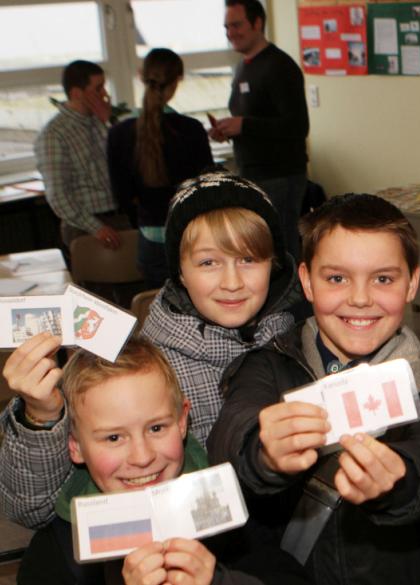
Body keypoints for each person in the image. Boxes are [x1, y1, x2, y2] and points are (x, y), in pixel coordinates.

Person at [0, 171, 301, 529]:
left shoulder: (299, 344)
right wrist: (41, 417)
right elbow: (33, 510)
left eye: (248, 259)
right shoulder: (134, 369)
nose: (232, 282)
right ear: (180, 272)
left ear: (274, 264)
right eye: (208, 262)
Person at [208, 193, 420, 585]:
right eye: (336, 278)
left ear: (412, 283)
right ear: (307, 282)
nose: (360, 298)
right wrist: (262, 450)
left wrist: (403, 479)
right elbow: (230, 434)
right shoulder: (271, 364)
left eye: (383, 279)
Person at [16, 337, 308, 584]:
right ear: (76, 447)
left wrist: (219, 580)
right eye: (113, 438)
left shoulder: (230, 513)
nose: (143, 458)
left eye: (156, 428)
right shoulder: (59, 551)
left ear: (182, 421)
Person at [211, 0, 309, 260]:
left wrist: (244, 125)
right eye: (226, 27)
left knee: (282, 249)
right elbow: (253, 122)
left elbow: (298, 126)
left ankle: (295, 301)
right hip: (253, 174)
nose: (230, 32)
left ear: (257, 23)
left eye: (236, 25)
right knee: (262, 250)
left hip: (280, 177)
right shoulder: (243, 66)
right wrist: (229, 130)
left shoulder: (280, 66)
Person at [108, 48, 214, 288]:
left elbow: (122, 196)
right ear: (178, 80)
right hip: (190, 238)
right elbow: (206, 188)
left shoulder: (119, 133)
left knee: (157, 309)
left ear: (140, 76)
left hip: (149, 238)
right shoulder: (192, 129)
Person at [35, 60, 130, 250]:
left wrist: (108, 122)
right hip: (86, 227)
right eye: (98, 89)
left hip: (119, 216)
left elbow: (127, 164)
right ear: (77, 93)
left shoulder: (101, 122)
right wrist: (97, 228)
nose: (105, 95)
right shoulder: (54, 134)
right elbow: (58, 197)